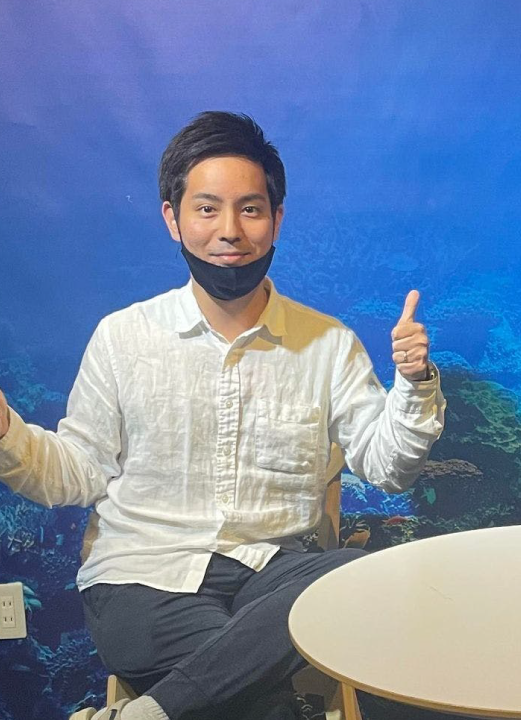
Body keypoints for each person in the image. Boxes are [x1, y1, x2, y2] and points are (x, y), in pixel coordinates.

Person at [0, 111, 446, 720]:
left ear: (277, 219)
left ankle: (149, 713)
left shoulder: (328, 343)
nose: (230, 231)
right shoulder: (123, 337)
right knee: (264, 702)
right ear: (172, 218)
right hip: (143, 576)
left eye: (251, 209)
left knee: (362, 576)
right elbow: (75, 472)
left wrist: (414, 385)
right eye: (207, 209)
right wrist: (7, 432)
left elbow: (387, 467)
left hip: (275, 573)